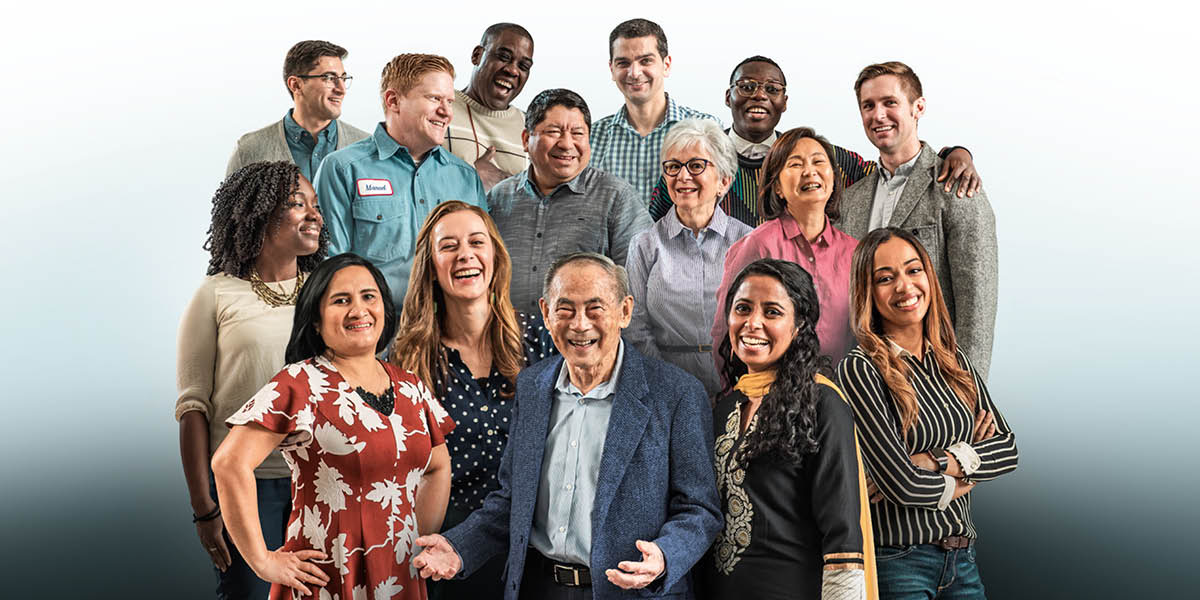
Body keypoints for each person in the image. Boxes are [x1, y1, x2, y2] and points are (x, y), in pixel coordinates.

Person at [412, 252, 722, 600]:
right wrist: (459, 547)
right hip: (539, 587)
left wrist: (665, 555)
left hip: (632, 593)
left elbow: (699, 509)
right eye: (565, 309)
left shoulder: (676, 394)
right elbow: (512, 502)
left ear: (624, 311)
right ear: (545, 313)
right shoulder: (532, 387)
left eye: (595, 308)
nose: (579, 324)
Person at [212, 253, 455, 600]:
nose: (359, 310)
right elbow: (228, 463)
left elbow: (438, 464)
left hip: (399, 575)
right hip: (328, 577)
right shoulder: (300, 383)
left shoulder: (411, 386)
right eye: (342, 300)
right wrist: (264, 562)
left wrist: (414, 542)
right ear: (316, 319)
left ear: (384, 307)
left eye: (368, 297)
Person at [837, 228, 1018, 599]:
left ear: (929, 277)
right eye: (885, 278)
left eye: (913, 270)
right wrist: (968, 472)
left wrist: (935, 460)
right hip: (898, 563)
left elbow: (1008, 450)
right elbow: (901, 484)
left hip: (962, 558)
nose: (904, 286)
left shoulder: (954, 360)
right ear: (867, 292)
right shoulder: (860, 369)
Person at [390, 200, 555, 599]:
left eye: (476, 242)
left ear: (495, 255)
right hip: (449, 546)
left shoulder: (541, 337)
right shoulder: (405, 358)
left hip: (536, 540)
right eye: (449, 246)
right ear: (430, 266)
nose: (465, 254)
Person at [177, 161, 326, 599]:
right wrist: (205, 510)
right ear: (259, 214)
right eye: (297, 204)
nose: (314, 215)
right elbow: (192, 408)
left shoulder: (327, 289)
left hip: (320, 481)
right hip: (246, 485)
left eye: (315, 205)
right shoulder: (216, 293)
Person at [702, 258, 871, 599]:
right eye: (743, 308)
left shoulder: (822, 402)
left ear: (799, 327)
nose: (752, 323)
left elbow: (843, 535)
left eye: (772, 312)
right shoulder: (724, 407)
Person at [839, 62, 998, 378]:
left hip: (937, 376)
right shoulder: (851, 200)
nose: (878, 115)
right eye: (868, 106)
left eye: (890, 103)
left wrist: (972, 390)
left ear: (918, 107)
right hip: (867, 379)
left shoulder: (955, 186)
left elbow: (977, 305)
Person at [706, 56, 981, 227]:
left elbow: (892, 175)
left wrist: (953, 154)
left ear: (784, 102)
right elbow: (661, 208)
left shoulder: (825, 160)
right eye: (747, 86)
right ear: (728, 96)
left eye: (772, 89)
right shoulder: (698, 161)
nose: (759, 96)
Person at [315, 53, 487, 309]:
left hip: (451, 331)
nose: (446, 112)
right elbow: (331, 269)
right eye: (434, 98)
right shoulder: (342, 168)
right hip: (377, 336)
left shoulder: (465, 176)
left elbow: (484, 262)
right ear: (393, 101)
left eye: (450, 101)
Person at [488, 89, 652, 314]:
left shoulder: (617, 197)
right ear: (526, 140)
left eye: (577, 133)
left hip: (585, 343)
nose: (566, 144)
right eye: (554, 132)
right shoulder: (498, 198)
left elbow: (641, 289)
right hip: (507, 341)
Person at [625, 118, 752, 398]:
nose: (682, 177)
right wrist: (670, 387)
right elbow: (635, 329)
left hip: (740, 387)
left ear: (724, 181)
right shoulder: (644, 245)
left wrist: (742, 384)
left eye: (696, 166)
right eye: (673, 167)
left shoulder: (748, 243)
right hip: (664, 388)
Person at [712, 127, 857, 369]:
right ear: (777, 186)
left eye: (818, 162)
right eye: (796, 164)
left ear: (833, 176)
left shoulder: (855, 252)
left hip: (841, 395)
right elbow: (725, 331)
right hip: (774, 393)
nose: (810, 171)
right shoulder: (758, 245)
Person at [590, 18, 718, 207]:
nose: (634, 72)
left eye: (646, 61)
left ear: (666, 64)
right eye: (623, 63)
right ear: (612, 69)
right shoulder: (591, 138)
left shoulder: (707, 128)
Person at [226, 41, 369, 181]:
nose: (341, 89)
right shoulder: (250, 150)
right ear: (296, 85)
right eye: (329, 78)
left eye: (343, 78)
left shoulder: (369, 149)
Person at [442, 23, 536, 190]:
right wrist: (471, 176)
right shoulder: (439, 107)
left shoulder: (532, 128)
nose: (513, 71)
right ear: (477, 56)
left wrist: (505, 184)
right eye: (504, 57)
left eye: (523, 67)